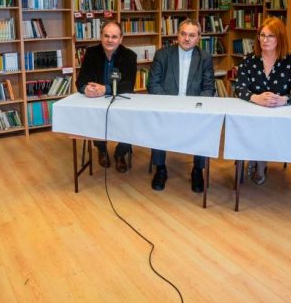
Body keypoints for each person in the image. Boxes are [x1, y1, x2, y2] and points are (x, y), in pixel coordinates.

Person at [235, 17, 291, 184]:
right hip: (252, 112)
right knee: (253, 124)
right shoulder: (249, 60)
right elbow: (239, 88)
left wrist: (284, 100)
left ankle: (259, 162)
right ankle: (256, 159)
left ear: (280, 38)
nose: (265, 40)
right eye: (262, 35)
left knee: (266, 126)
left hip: (280, 114)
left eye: (271, 36)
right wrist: (256, 98)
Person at [147, 19, 215, 192]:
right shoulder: (162, 54)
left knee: (205, 124)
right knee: (157, 121)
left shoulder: (205, 58)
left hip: (193, 110)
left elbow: (208, 88)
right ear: (177, 35)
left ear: (198, 37)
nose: (186, 38)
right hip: (167, 106)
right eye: (183, 34)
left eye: (191, 35)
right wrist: (168, 103)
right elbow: (153, 84)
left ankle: (197, 170)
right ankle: (160, 169)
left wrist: (195, 107)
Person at [75, 21, 137, 172]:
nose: (110, 40)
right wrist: (85, 88)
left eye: (114, 37)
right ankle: (102, 149)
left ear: (121, 39)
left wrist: (105, 89)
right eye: (106, 36)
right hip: (97, 100)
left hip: (121, 99)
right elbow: (81, 80)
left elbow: (128, 85)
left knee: (133, 120)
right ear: (101, 37)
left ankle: (120, 153)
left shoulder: (129, 56)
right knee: (93, 116)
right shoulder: (91, 53)